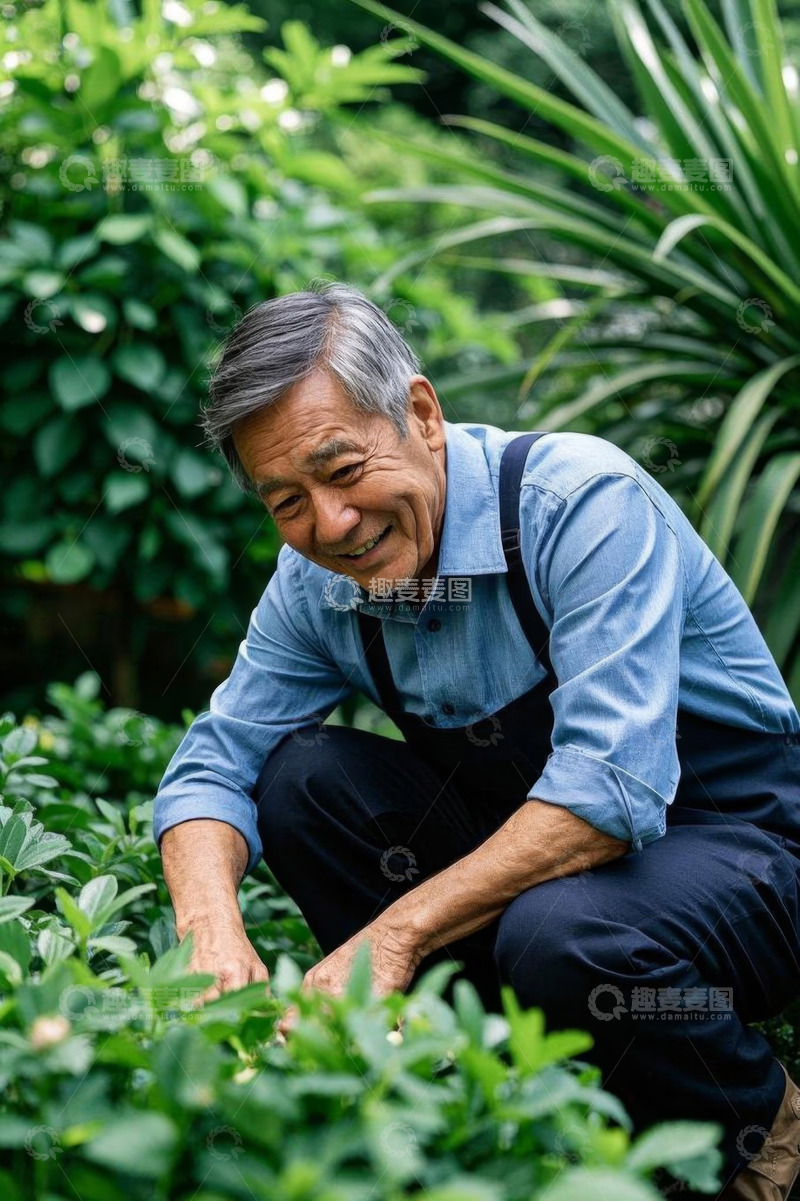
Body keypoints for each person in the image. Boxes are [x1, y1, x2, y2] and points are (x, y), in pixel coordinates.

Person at [153, 281, 800, 1200]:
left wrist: (392, 938)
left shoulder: (581, 503)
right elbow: (214, 763)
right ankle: (479, 1092)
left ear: (420, 412)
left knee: (564, 931)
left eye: (343, 471)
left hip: (742, 851)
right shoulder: (315, 581)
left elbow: (609, 792)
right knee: (301, 778)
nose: (330, 526)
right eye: (286, 499)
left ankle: (760, 1132)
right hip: (541, 868)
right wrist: (208, 932)